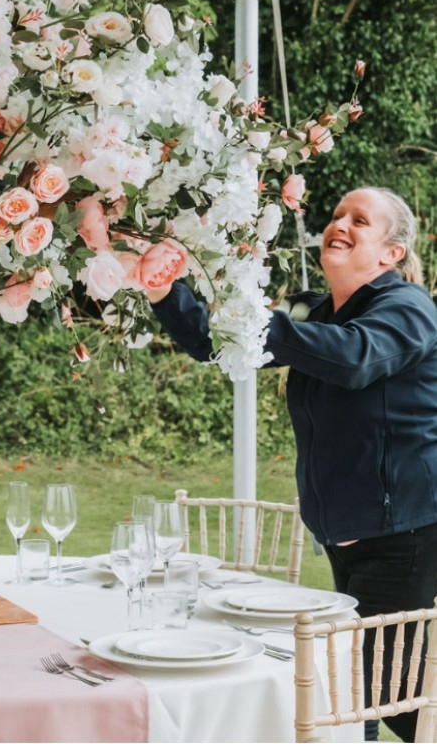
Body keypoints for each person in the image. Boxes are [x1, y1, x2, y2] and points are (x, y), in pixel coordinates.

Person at [149, 187, 437, 743]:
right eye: (336, 216)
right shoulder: (312, 309)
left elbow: (355, 357)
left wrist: (262, 326)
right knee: (357, 694)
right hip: (344, 534)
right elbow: (223, 343)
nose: (341, 224)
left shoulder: (407, 307)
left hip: (403, 533)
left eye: (361, 220)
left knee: (384, 698)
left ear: (391, 253)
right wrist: (165, 290)